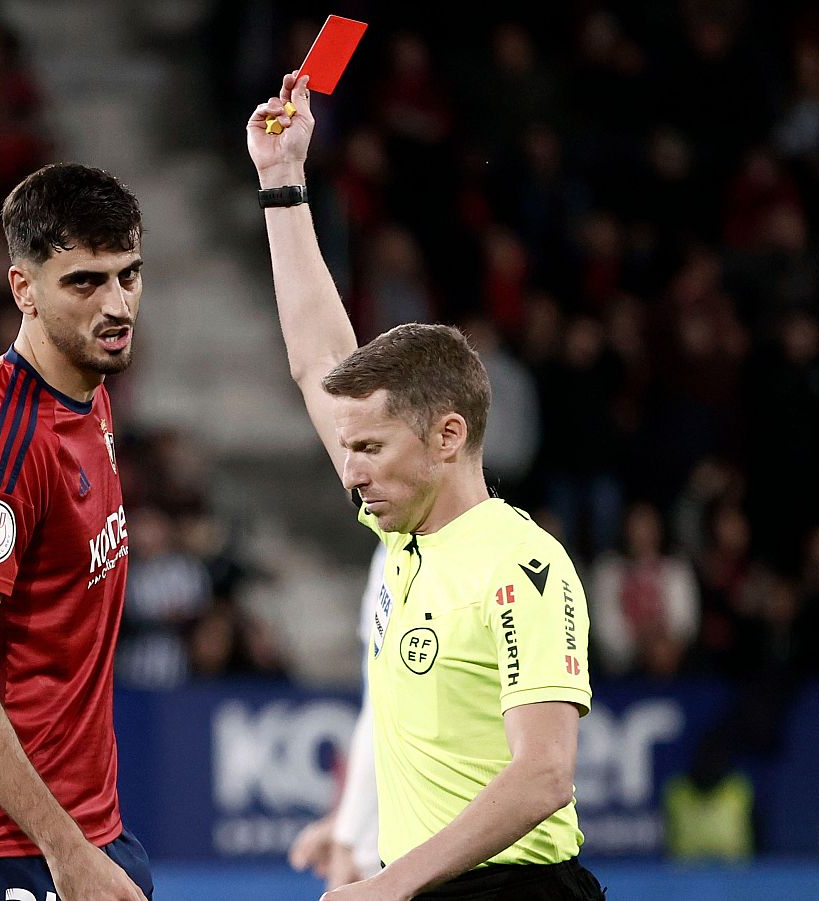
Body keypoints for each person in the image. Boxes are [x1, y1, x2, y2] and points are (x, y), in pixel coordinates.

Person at [247, 72, 602, 901]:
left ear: (447, 437)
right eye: (350, 447)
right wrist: (281, 183)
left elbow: (546, 773)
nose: (352, 467)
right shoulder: (403, 538)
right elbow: (314, 359)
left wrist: (386, 884)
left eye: (371, 446)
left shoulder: (522, 563)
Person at [0, 163, 152, 901]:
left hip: (86, 827)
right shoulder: (0, 448)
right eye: (84, 282)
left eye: (128, 275)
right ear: (23, 290)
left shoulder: (88, 394)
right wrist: (65, 851)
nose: (117, 304)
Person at [290, 546, 386, 891]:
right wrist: (347, 824)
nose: (351, 488)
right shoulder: (389, 554)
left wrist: (352, 838)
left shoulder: (408, 555)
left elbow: (389, 719)